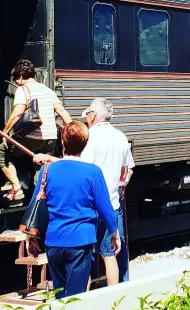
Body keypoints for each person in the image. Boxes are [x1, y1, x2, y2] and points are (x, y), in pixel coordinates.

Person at [28, 122, 121, 298]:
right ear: (85, 144)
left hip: (54, 241)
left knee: (60, 295)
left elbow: (35, 204)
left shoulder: (47, 170)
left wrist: (31, 237)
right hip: (80, 241)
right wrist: (114, 233)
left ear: (63, 142)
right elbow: (105, 207)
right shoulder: (92, 172)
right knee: (76, 298)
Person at [0, 59, 73, 201]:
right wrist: (73, 130)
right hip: (51, 138)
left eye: (15, 78)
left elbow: (17, 113)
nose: (15, 82)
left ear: (21, 76)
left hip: (32, 138)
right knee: (41, 168)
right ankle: (40, 198)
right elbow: (62, 112)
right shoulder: (48, 90)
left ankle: (17, 188)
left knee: (2, 151)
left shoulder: (23, 89)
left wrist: (5, 132)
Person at [81, 98, 134, 285]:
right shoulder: (120, 136)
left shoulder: (89, 137)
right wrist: (119, 185)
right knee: (110, 254)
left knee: (84, 256)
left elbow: (83, 170)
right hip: (112, 204)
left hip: (90, 206)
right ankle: (116, 297)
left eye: (87, 114)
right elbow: (127, 171)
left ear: (93, 115)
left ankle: (84, 301)